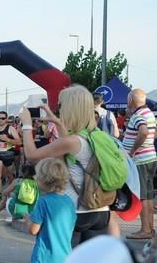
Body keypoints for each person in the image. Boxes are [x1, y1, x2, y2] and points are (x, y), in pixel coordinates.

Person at [20, 85, 112, 245]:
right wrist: (57, 123)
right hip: (100, 210)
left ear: (70, 108)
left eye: (61, 105)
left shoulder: (72, 141)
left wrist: (27, 125)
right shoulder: (97, 135)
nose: (59, 109)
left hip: (76, 210)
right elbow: (69, 145)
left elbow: (31, 155)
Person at [123, 88, 157, 240]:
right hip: (150, 158)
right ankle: (149, 229)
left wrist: (133, 150)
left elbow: (144, 132)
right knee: (149, 195)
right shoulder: (150, 113)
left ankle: (145, 230)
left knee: (143, 196)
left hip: (140, 161)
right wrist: (148, 143)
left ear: (131, 100)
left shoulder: (137, 115)